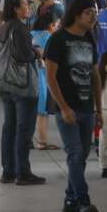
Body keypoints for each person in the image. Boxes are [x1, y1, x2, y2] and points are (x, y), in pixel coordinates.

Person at [44, 0, 102, 212]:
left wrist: (99, 109)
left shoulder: (89, 39)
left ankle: (70, 201)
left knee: (81, 156)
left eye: (95, 13)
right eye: (90, 13)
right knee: (75, 154)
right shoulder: (58, 40)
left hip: (87, 107)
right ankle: (84, 202)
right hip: (66, 108)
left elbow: (95, 75)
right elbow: (50, 76)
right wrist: (63, 107)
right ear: (77, 14)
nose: (94, 18)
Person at [0, 0, 45, 185]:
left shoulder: (2, 27)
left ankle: (8, 171)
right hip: (21, 85)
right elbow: (24, 55)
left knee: (9, 127)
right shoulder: (19, 28)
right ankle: (23, 172)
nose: (28, 7)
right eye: (25, 4)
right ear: (16, 8)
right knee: (24, 129)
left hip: (5, 82)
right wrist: (36, 52)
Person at [30, 12, 61, 151]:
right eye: (56, 25)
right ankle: (42, 142)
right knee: (42, 112)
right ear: (51, 25)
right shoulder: (50, 37)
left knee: (29, 111)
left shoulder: (30, 34)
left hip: (27, 77)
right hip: (42, 76)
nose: (57, 27)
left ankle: (27, 140)